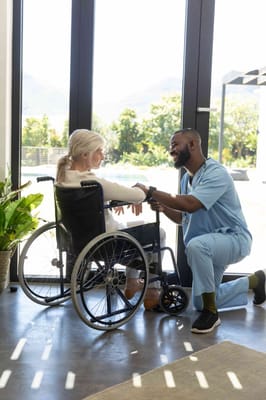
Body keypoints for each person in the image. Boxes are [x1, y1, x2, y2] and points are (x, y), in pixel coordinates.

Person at [135, 128, 266, 334]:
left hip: (233, 240)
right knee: (198, 301)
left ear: (193, 145)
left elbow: (191, 204)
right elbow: (184, 217)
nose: (171, 150)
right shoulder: (186, 180)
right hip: (210, 245)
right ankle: (256, 280)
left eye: (175, 144)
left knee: (196, 247)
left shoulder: (216, 173)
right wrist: (164, 207)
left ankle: (211, 315)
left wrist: (151, 191)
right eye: (171, 146)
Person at [56, 128, 163, 309]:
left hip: (78, 241)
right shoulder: (95, 184)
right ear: (85, 154)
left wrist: (114, 199)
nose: (102, 156)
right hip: (108, 243)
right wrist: (142, 188)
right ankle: (151, 290)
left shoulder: (62, 180)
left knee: (133, 226)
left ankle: (132, 282)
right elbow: (137, 196)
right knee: (158, 233)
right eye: (99, 151)